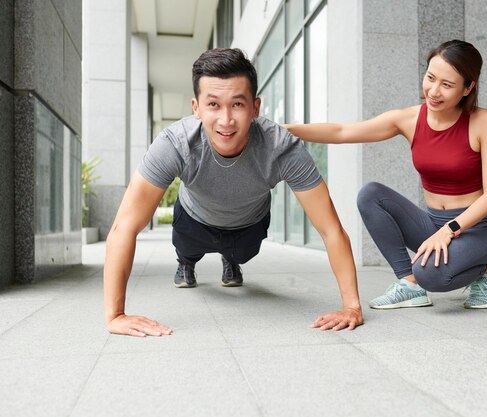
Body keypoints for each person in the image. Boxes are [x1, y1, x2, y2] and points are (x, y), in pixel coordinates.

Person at [104, 48, 363, 337]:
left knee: (242, 254)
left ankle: (231, 259)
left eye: (237, 105)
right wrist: (116, 315)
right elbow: (123, 227)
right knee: (188, 249)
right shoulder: (175, 144)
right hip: (194, 218)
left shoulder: (282, 148)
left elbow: (331, 229)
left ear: (255, 107)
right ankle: (186, 264)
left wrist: (352, 306)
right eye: (213, 104)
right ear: (196, 107)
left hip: (248, 223)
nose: (226, 120)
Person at [285, 40, 487, 310]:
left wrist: (448, 232)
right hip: (433, 224)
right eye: (430, 78)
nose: (434, 91)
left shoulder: (484, 121)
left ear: (468, 87)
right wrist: (282, 129)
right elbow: (342, 132)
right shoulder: (410, 119)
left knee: (432, 275)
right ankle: (409, 284)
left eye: (447, 85)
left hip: (478, 230)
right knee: (371, 195)